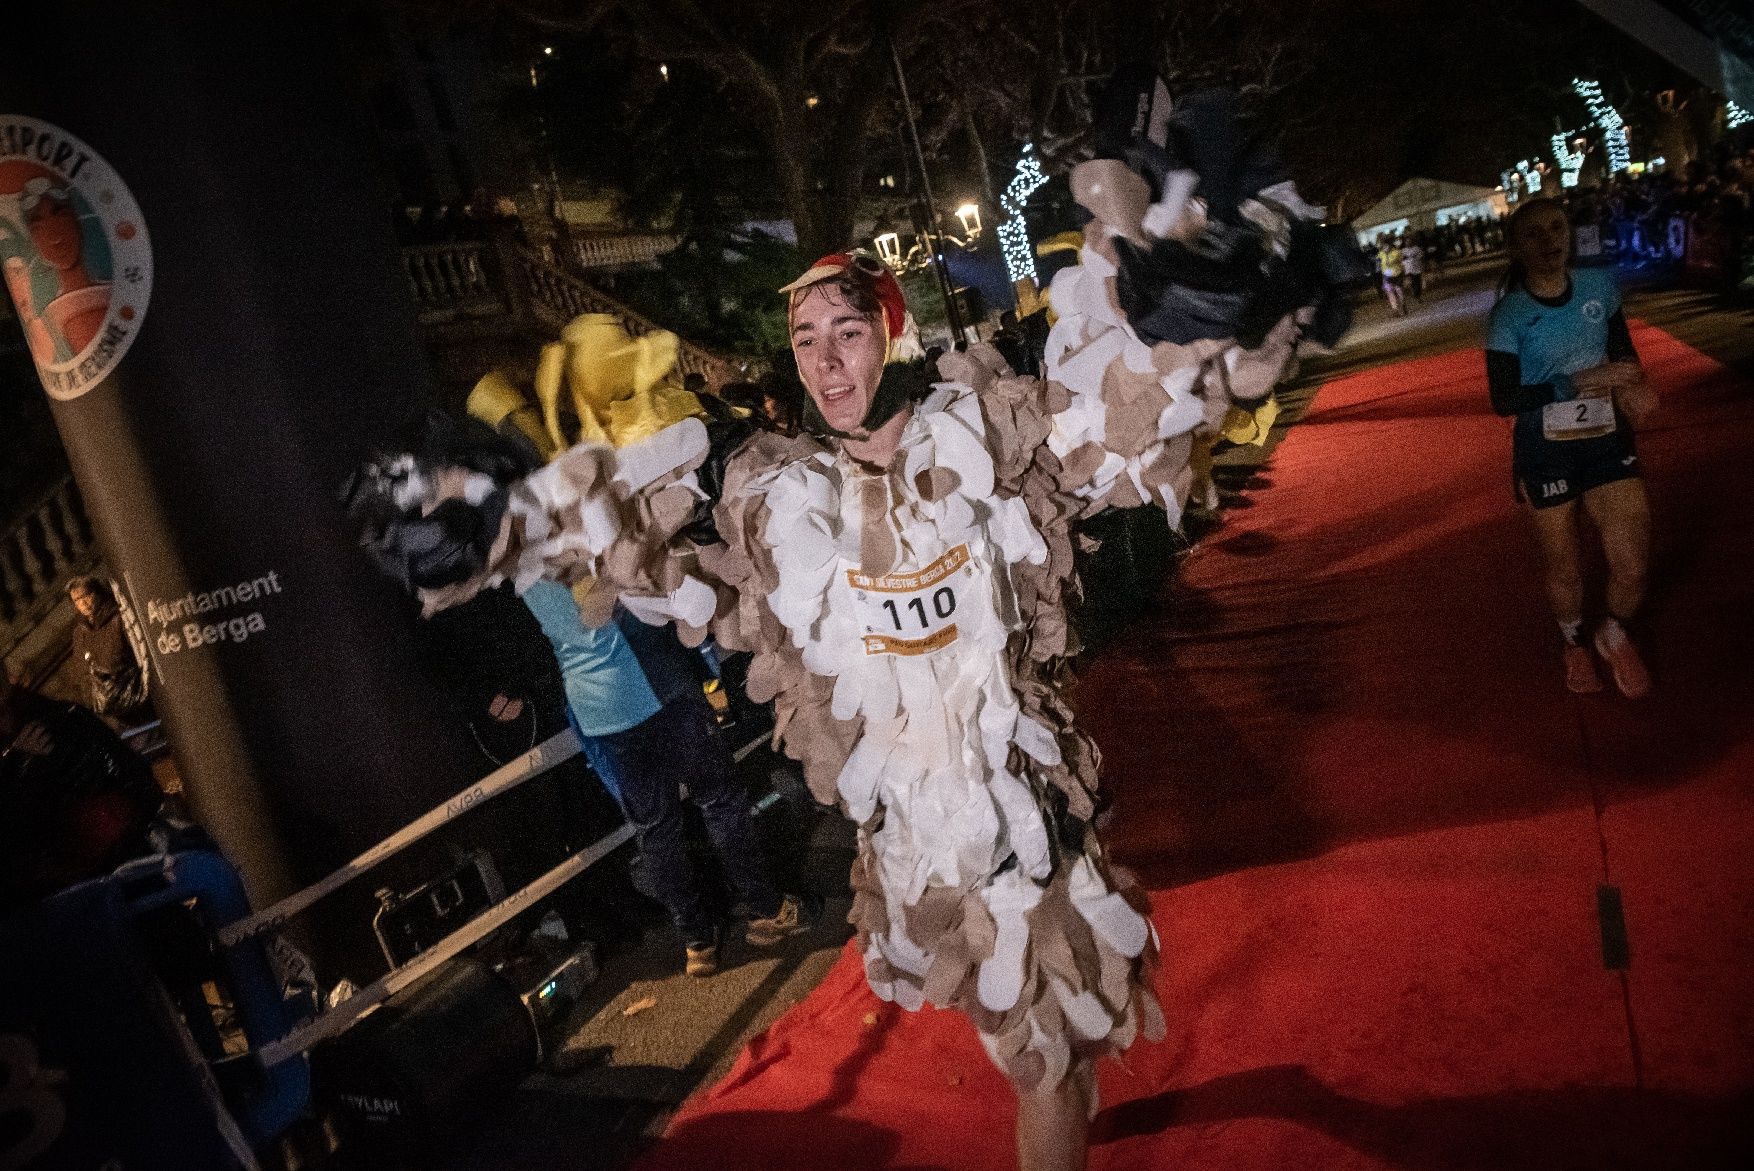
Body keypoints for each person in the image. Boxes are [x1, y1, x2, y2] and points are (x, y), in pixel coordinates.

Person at [353, 90, 1343, 1169]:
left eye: (845, 332)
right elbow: (716, 607)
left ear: (889, 332)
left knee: (1039, 1054)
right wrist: (554, 530)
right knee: (1027, 1035)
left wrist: (1178, 310)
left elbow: (1109, 439)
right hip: (911, 836)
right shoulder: (773, 498)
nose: (825, 361)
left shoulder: (987, 431)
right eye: (804, 340)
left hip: (1021, 806)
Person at [522, 579, 811, 977]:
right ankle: (767, 909)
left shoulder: (522, 566)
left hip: (599, 706)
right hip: (658, 682)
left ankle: (697, 942)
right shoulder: (584, 536)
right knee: (719, 798)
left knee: (655, 830)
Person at [1486, 198, 1657, 697]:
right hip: (1546, 451)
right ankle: (1574, 642)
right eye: (1535, 233)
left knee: (1633, 561)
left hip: (1607, 442)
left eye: (1557, 227)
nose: (1550, 240)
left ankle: (1614, 632)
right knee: (1564, 565)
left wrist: (1631, 383)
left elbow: (1624, 353)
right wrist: (1578, 381)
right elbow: (1504, 399)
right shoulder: (1508, 315)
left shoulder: (1600, 288)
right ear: (1517, 247)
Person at [1, 675, 160, 911]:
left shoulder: (63, 722)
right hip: (69, 901)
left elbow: (137, 784)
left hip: (118, 876)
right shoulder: (58, 722)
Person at [66, 576, 150, 728]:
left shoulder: (118, 618)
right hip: (109, 707)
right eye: (77, 600)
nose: (83, 604)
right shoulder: (80, 632)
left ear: (97, 593)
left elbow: (139, 653)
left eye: (86, 596)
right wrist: (91, 697)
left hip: (137, 698)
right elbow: (80, 669)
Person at [1377, 234, 1406, 315]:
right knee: (1390, 292)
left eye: (1386, 246)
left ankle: (1403, 304)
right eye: (1383, 246)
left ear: (1390, 245)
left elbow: (1398, 261)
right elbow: (1379, 262)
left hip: (1397, 274)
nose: (1385, 248)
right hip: (1386, 275)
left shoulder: (1396, 252)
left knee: (1399, 291)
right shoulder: (1381, 254)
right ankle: (1395, 309)